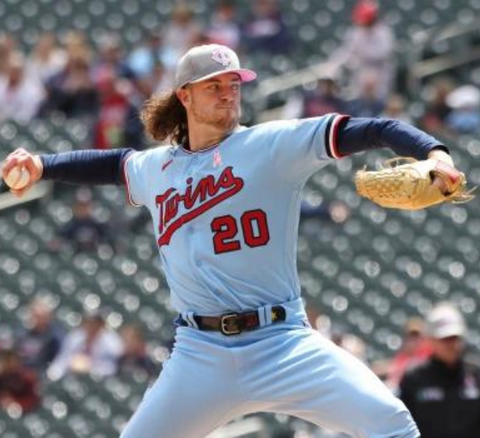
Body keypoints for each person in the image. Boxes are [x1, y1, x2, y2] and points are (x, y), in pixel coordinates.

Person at [2, 43, 460, 438]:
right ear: (185, 95)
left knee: (391, 422)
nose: (228, 94)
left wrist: (433, 152)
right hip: (201, 355)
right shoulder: (155, 168)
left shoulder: (272, 145)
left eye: (233, 85)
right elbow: (112, 164)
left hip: (283, 341)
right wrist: (43, 164)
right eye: (213, 86)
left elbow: (372, 129)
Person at [399, 302, 480, 438]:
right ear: (430, 339)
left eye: (455, 338)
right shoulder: (414, 377)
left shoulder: (476, 373)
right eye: (445, 339)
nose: (451, 344)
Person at [47, 311, 123, 380]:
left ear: (101, 325)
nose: (91, 326)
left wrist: (89, 367)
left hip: (101, 382)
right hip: (74, 379)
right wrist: (54, 374)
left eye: (94, 323)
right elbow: (62, 360)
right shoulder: (75, 337)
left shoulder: (111, 342)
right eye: (88, 323)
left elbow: (113, 368)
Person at [15, 297, 64, 371]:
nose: (37, 318)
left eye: (41, 315)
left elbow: (59, 360)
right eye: (35, 315)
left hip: (42, 373)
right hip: (22, 373)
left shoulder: (55, 336)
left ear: (48, 316)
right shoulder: (23, 332)